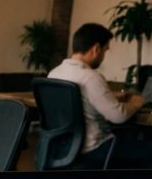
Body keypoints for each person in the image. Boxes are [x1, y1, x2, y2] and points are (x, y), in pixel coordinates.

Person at [47, 22, 146, 169]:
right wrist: (137, 103)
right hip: (94, 149)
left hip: (63, 147)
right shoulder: (91, 77)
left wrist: (111, 98)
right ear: (96, 48)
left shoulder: (54, 73)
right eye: (105, 51)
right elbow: (118, 116)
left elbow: (79, 100)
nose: (104, 56)